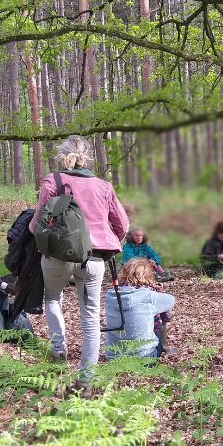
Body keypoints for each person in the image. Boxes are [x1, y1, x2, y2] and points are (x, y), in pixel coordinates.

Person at [30, 135, 129, 394]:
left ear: (62, 156)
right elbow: (123, 226)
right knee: (90, 318)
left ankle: (59, 349)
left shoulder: (54, 181)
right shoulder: (104, 186)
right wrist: (105, 243)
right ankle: (86, 382)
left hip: (57, 258)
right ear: (88, 158)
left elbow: (36, 223)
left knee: (52, 299)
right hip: (94, 258)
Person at [103, 257, 177, 361]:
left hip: (113, 356)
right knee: (162, 312)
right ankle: (163, 346)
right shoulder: (148, 295)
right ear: (147, 275)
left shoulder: (110, 294)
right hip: (143, 357)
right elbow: (171, 300)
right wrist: (154, 291)